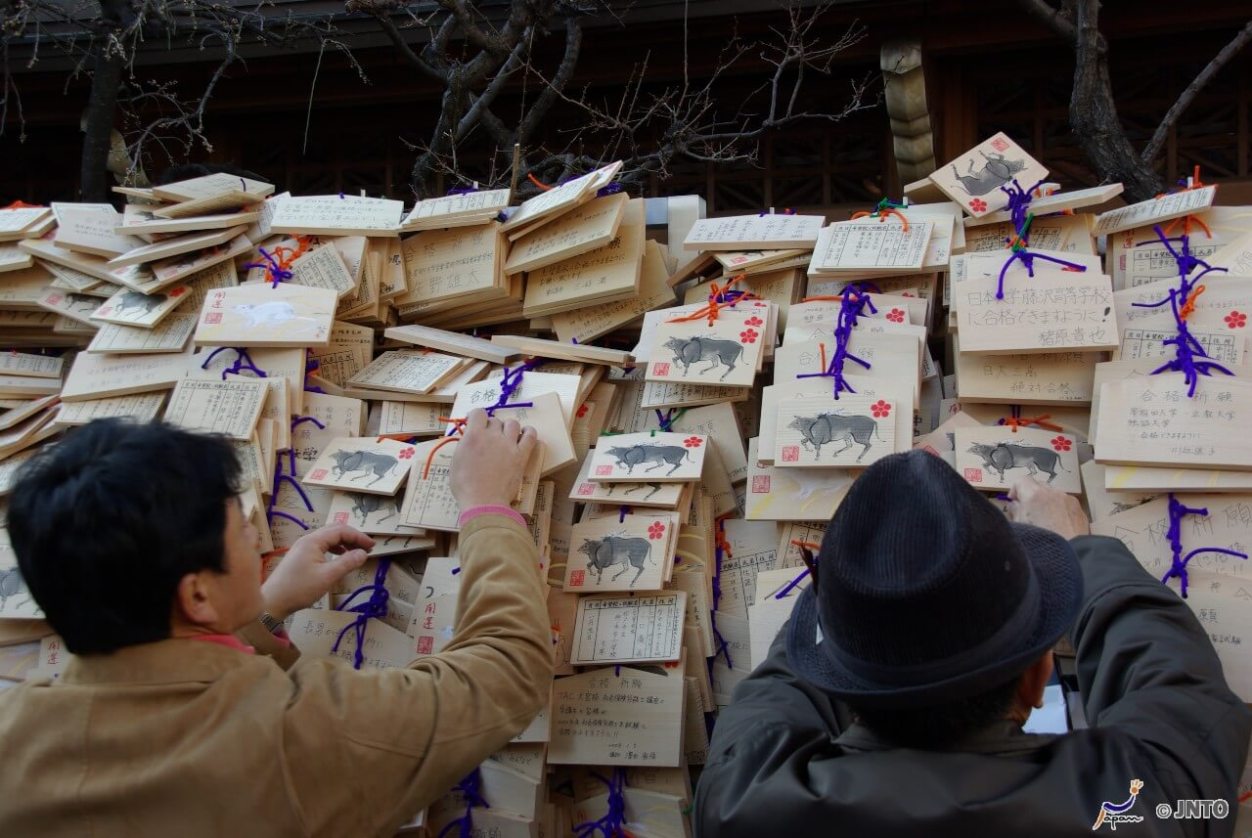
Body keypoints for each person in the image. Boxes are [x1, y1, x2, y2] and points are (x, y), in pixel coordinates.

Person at [0, 411, 552, 837]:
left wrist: (262, 609)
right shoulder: (301, 734)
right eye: (240, 529)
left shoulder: (15, 732)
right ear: (196, 595)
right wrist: (485, 502)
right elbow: (507, 666)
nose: (254, 536)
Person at [696, 450, 1251, 837]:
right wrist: (1078, 545)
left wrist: (875, 563)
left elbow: (782, 688)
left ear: (839, 678)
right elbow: (1178, 681)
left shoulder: (739, 804)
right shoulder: (1141, 805)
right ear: (1037, 680)